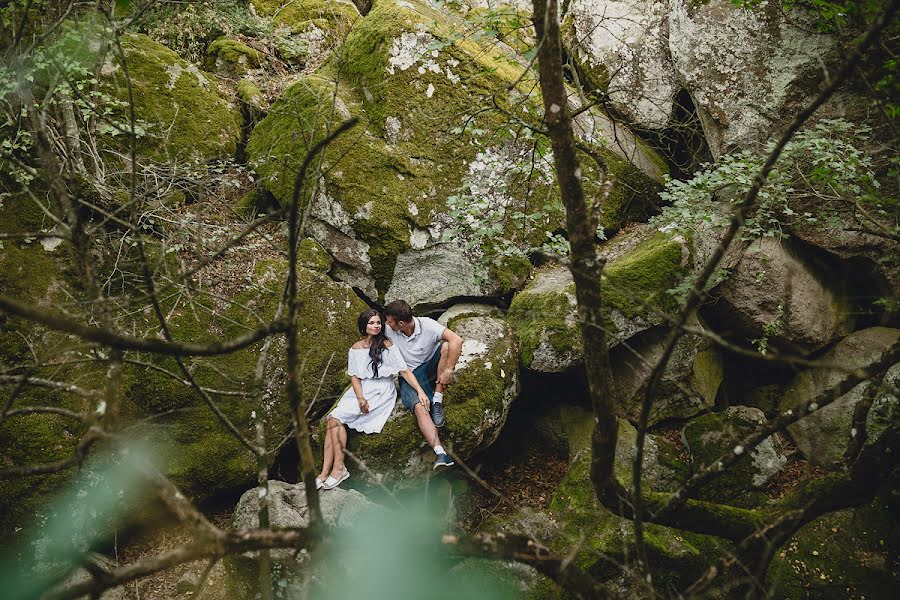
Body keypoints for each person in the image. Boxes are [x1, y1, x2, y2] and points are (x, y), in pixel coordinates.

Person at [317, 308, 430, 490]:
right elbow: (354, 376)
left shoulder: (387, 345)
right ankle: (324, 472)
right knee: (333, 418)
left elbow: (404, 370)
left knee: (337, 418)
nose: (376, 326)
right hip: (362, 390)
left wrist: (420, 391)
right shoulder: (355, 348)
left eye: (378, 322)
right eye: (372, 323)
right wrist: (360, 398)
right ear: (364, 325)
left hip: (381, 390)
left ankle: (338, 469)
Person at [383, 299, 463, 470]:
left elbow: (457, 340)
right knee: (419, 408)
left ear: (401, 323)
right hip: (410, 375)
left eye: (389, 321)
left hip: (433, 366)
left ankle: (437, 400)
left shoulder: (427, 325)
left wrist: (449, 370)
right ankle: (440, 453)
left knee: (447, 346)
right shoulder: (388, 329)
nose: (386, 324)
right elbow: (370, 327)